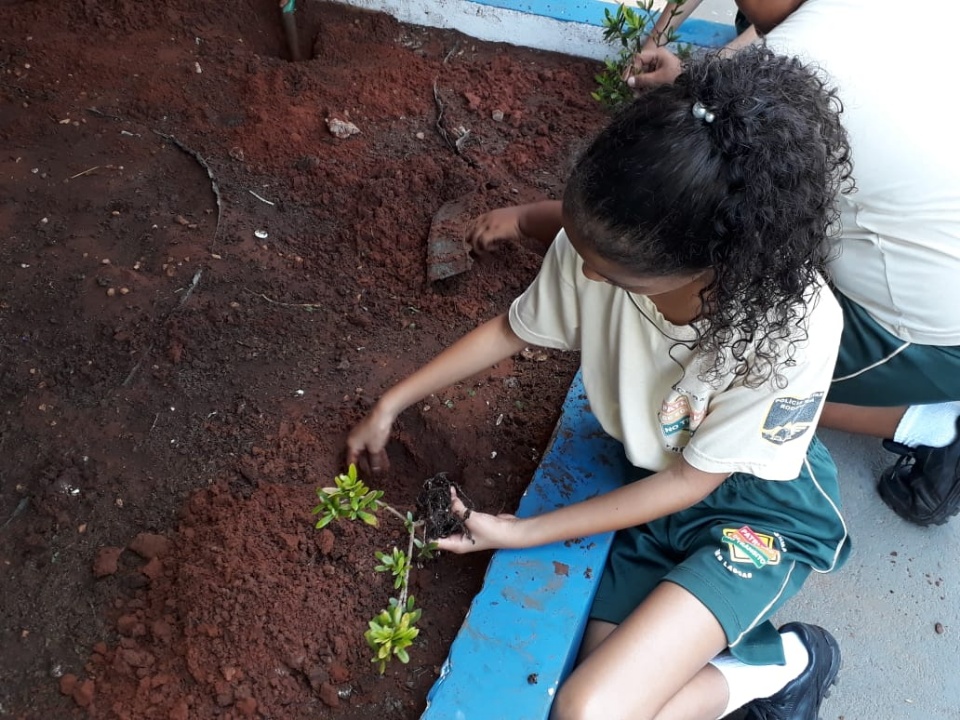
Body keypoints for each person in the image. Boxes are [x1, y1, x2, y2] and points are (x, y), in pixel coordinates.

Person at [348, 47, 851, 720]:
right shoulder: (605, 246)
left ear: (710, 264)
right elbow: (512, 329)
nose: (585, 278)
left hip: (752, 510)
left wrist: (524, 532)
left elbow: (691, 483)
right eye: (583, 252)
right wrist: (394, 400)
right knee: (610, 691)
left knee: (589, 709)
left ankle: (793, 662)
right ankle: (747, 665)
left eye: (610, 273)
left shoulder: (792, 330)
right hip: (651, 485)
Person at [625, 0, 960, 527]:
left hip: (934, 337)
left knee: (708, 357)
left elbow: (688, 230)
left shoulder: (794, 63)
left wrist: (541, 222)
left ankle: (928, 420)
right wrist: (696, 76)